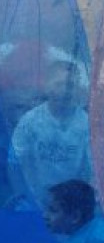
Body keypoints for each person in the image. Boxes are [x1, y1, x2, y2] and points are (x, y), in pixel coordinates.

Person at [8, 59, 93, 210]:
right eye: (59, 84)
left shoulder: (86, 125)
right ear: (47, 87)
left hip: (71, 206)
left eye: (71, 85)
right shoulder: (31, 121)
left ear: (77, 88)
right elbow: (14, 163)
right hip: (34, 201)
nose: (65, 90)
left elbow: (92, 171)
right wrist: (23, 195)